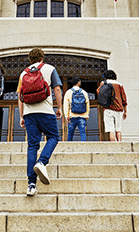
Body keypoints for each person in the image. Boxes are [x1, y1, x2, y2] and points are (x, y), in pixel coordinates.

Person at [17, 48, 62, 196]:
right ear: (42, 57)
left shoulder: (23, 73)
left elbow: (20, 96)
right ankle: (42, 162)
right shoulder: (49, 69)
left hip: (30, 114)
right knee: (54, 137)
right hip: (46, 111)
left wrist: (22, 116)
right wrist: (60, 107)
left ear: (29, 59)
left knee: (32, 146)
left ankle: (31, 185)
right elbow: (56, 89)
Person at [98, 69, 127, 142]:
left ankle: (114, 147)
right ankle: (119, 145)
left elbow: (98, 92)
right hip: (119, 109)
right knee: (118, 129)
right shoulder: (119, 84)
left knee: (111, 130)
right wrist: (125, 111)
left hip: (108, 108)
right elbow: (124, 98)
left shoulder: (103, 83)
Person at [64, 76, 89, 141]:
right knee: (83, 133)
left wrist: (66, 116)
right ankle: (84, 148)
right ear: (78, 82)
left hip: (72, 116)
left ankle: (68, 148)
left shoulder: (68, 92)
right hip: (82, 116)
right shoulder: (84, 92)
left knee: (70, 133)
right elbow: (87, 104)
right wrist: (87, 114)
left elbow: (66, 105)